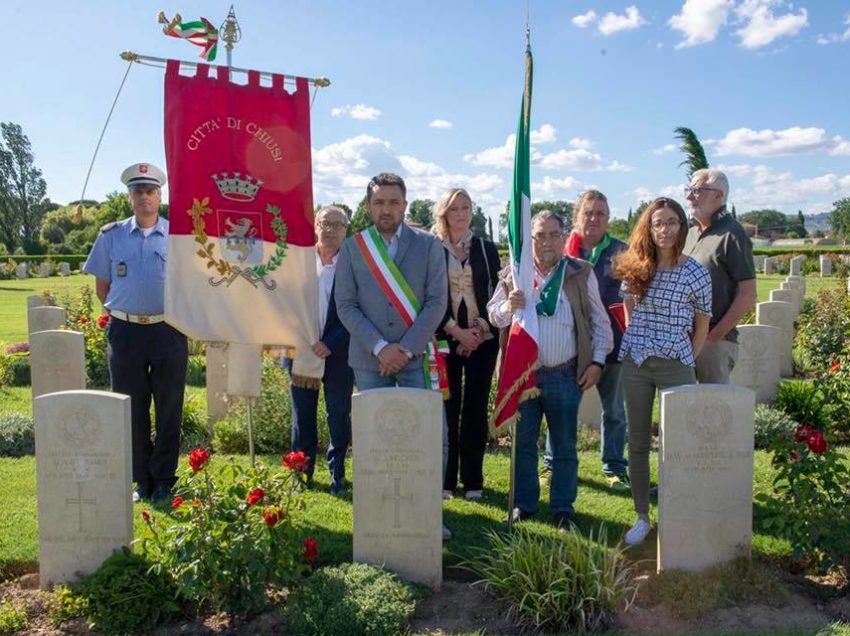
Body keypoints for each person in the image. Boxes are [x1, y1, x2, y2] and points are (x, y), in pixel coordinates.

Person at [334, 172, 451, 538]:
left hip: (415, 357)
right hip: (369, 359)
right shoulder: (354, 247)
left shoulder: (430, 245)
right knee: (374, 439)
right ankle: (377, 514)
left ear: (405, 204)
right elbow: (346, 305)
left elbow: (436, 302)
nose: (386, 209)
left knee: (430, 437)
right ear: (368, 205)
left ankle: (429, 513)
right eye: (379, 202)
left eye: (393, 202)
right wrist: (381, 347)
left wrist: (405, 347)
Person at [487, 210, 613, 529]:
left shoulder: (580, 272)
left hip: (564, 373)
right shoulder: (513, 274)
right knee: (524, 443)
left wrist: (597, 362)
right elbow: (494, 317)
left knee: (564, 445)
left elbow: (600, 323)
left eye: (553, 234)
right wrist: (507, 306)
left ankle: (562, 508)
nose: (546, 242)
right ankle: (524, 504)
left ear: (563, 236)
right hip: (523, 376)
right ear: (530, 239)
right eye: (539, 235)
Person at [83, 163, 188, 503]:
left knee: (169, 407)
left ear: (160, 196)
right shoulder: (110, 236)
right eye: (138, 191)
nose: (144, 196)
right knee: (132, 408)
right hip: (126, 331)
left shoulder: (177, 237)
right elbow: (103, 288)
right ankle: (140, 480)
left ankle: (164, 480)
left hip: (168, 330)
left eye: (151, 191)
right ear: (130, 197)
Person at [613, 197, 712, 545]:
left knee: (678, 445)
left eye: (672, 222)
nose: (665, 229)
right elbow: (627, 306)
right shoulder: (637, 265)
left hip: (676, 366)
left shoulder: (695, 271)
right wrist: (638, 337)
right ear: (649, 228)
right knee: (637, 443)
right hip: (637, 364)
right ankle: (642, 517)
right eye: (658, 223)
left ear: (681, 227)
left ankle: (677, 513)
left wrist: (689, 357)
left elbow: (702, 321)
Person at [547, 190, 629, 490]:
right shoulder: (562, 249)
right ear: (577, 216)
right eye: (588, 213)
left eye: (600, 214)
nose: (594, 219)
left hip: (616, 343)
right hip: (573, 345)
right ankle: (550, 464)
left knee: (615, 411)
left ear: (608, 218)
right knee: (561, 408)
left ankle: (614, 466)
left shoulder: (623, 252)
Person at [432, 188, 501, 501]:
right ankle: (445, 480)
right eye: (454, 208)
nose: (461, 213)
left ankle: (473, 479)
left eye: (466, 207)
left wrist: (478, 331)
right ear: (443, 213)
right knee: (446, 409)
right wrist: (456, 333)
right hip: (444, 339)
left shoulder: (486, 248)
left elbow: (497, 294)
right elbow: (427, 296)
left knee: (475, 409)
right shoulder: (432, 249)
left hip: (482, 339)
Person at [282, 206, 354, 495]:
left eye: (338, 224)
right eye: (325, 222)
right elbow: (283, 302)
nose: (331, 229)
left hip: (338, 354)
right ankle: (300, 474)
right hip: (301, 350)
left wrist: (330, 342)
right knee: (302, 416)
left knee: (338, 415)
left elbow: (354, 310)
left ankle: (337, 475)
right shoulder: (296, 261)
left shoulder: (352, 264)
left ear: (346, 230)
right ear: (316, 225)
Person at [683, 169, 756, 383]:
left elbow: (747, 293)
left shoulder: (732, 234)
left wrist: (714, 337)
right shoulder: (690, 233)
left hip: (713, 343)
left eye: (696, 190)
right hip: (682, 340)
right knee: (682, 411)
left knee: (711, 411)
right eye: (688, 190)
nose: (689, 196)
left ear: (718, 195)